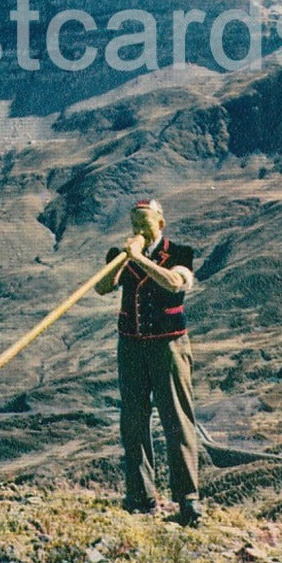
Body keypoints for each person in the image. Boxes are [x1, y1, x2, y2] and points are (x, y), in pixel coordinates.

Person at [95, 198, 202, 528]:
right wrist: (121, 261)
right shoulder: (120, 255)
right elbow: (102, 288)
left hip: (168, 347)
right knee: (133, 420)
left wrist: (139, 258)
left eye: (145, 223)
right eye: (135, 223)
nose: (139, 229)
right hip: (131, 347)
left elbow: (174, 283)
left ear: (161, 224)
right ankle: (141, 497)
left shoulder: (180, 252)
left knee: (177, 421)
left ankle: (188, 500)